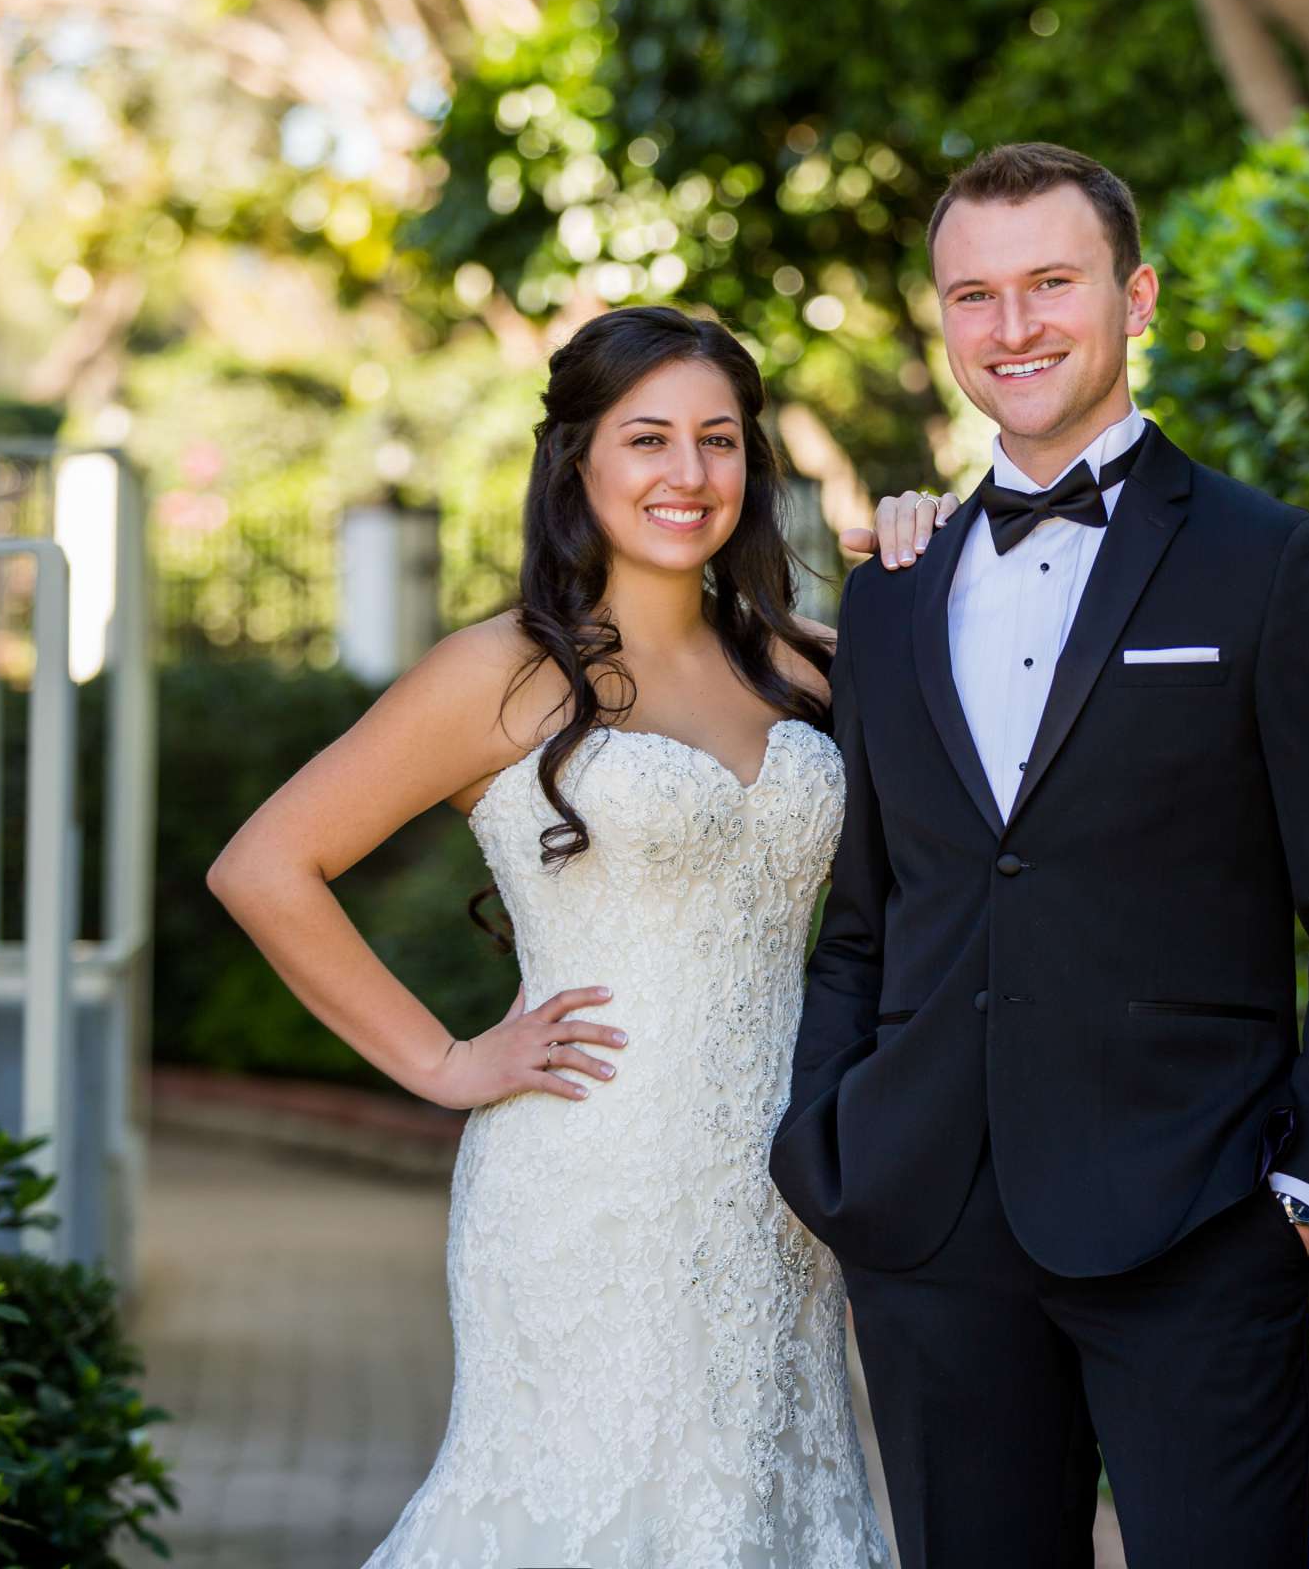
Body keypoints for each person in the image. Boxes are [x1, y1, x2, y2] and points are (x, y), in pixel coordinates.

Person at [769, 142, 1309, 1569]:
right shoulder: (893, 597)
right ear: (942, 321)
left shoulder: (1271, 567)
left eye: (1050, 284)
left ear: (1136, 297)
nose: (1013, 329)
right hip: (931, 1228)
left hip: (1196, 1226)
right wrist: (827, 1142)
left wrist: (1305, 1191)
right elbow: (869, 916)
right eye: (975, 295)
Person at [206, 304, 891, 1569]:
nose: (688, 475)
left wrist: (929, 557)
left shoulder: (808, 668)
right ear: (578, 460)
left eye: (720, 440)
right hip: (587, 1185)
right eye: (648, 439)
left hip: (779, 1197)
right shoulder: (502, 673)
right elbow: (265, 865)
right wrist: (445, 1060)